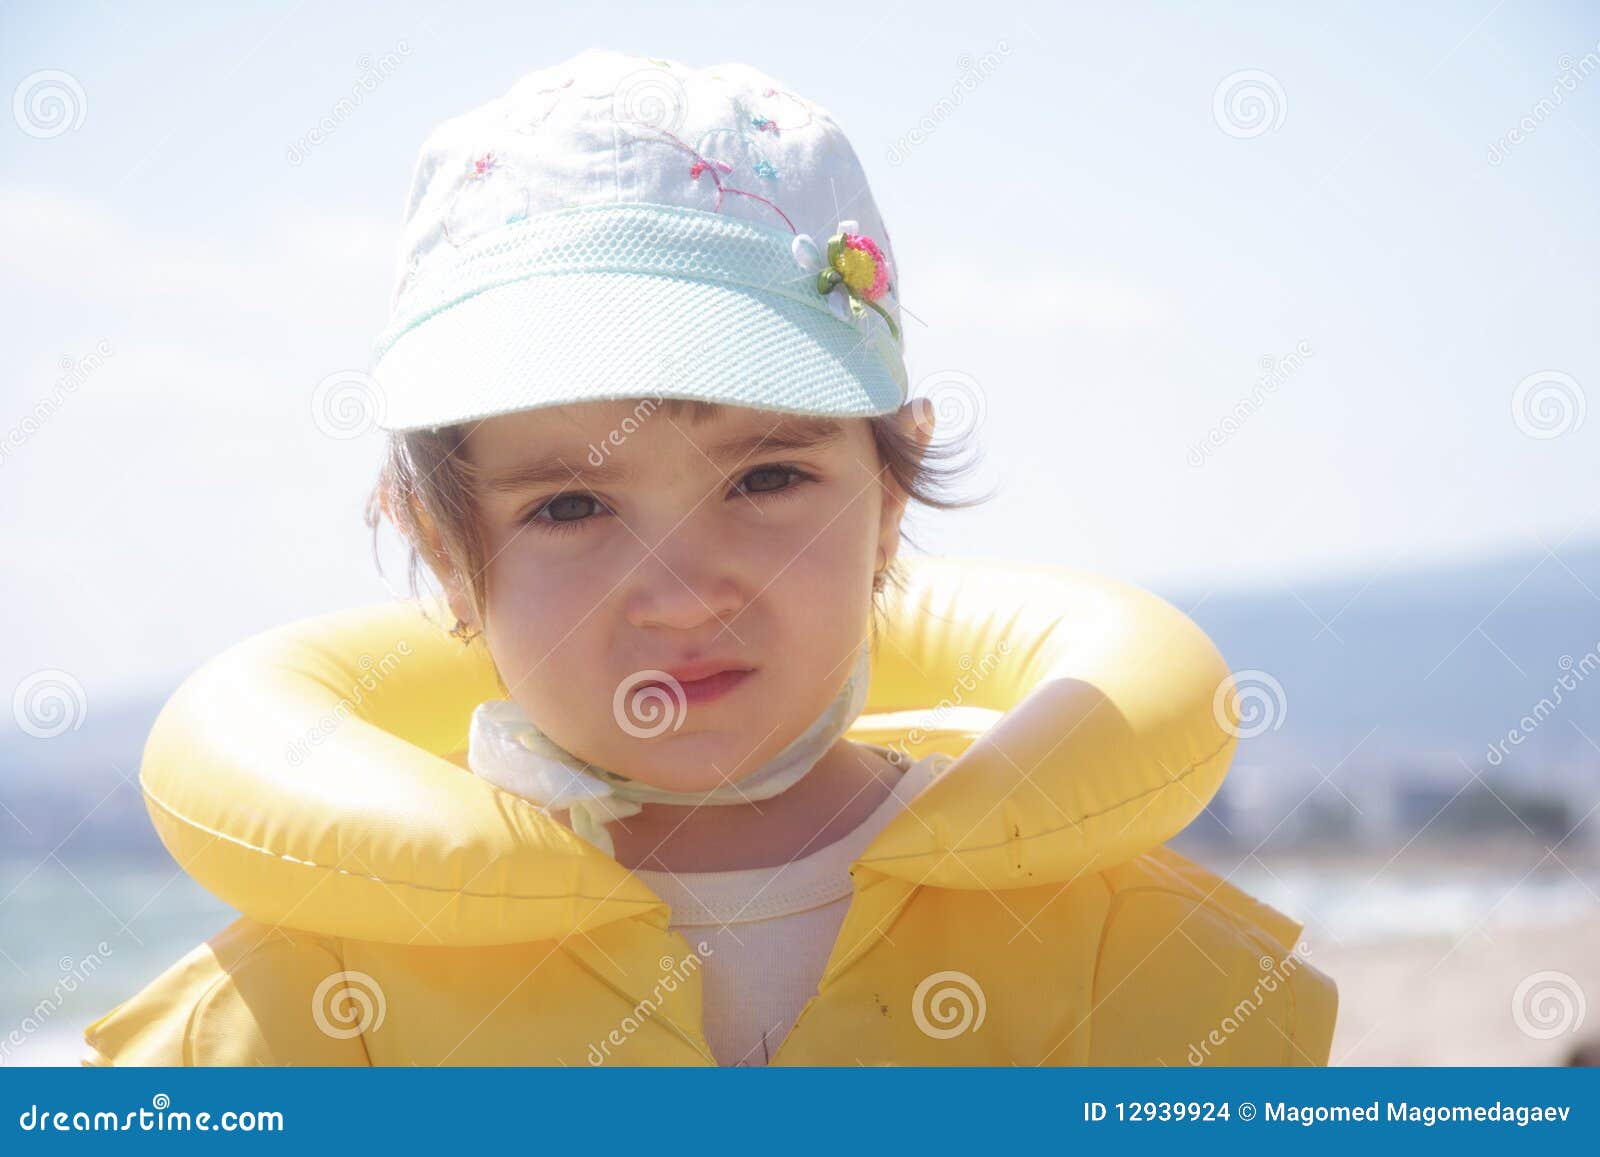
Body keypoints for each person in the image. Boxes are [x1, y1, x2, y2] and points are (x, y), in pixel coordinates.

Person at [82, 48, 1336, 1067]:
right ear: (448, 560)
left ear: (889, 504)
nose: (683, 593)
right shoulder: (300, 1020)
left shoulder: (1138, 968)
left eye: (767, 478)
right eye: (570, 506)